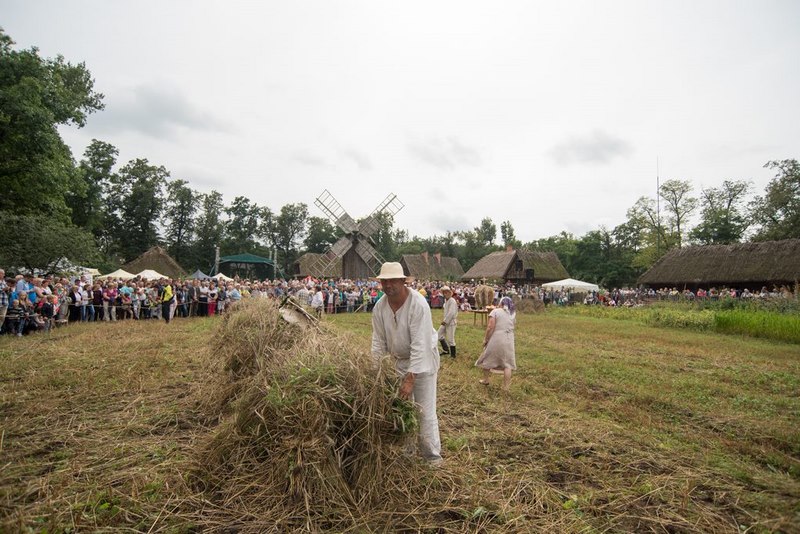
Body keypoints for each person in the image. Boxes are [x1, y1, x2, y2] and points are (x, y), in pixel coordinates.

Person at [371, 262, 442, 465]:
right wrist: (376, 372)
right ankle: (407, 452)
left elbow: (420, 345)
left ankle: (432, 457)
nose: (388, 285)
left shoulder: (418, 304)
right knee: (403, 409)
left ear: (403, 281)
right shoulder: (380, 307)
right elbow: (378, 342)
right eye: (384, 281)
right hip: (397, 361)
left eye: (393, 280)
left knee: (424, 410)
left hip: (423, 360)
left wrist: (410, 379)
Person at [475, 296, 517, 391]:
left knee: (487, 357)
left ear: (501, 303)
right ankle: (506, 387)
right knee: (508, 364)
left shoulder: (495, 311)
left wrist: (486, 339)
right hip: (509, 338)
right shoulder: (513, 313)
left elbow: (490, 327)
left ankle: (486, 379)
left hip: (497, 337)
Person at [437, 286, 458, 358]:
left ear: (449, 293)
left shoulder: (452, 301)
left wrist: (445, 321)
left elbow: (451, 313)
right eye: (444, 293)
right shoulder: (447, 301)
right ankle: (446, 350)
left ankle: (453, 355)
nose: (445, 294)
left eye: (446, 292)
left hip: (451, 322)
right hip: (445, 322)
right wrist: (444, 321)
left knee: (450, 339)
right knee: (439, 335)